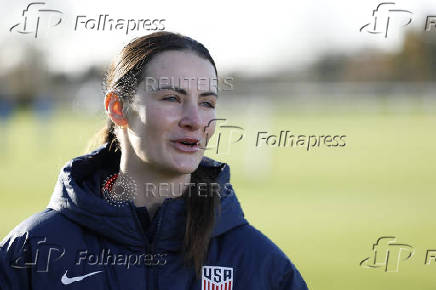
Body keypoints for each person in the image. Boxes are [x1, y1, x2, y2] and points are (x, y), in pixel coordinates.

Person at [0, 31, 308, 290]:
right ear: (117, 107)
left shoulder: (260, 265)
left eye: (207, 103)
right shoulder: (31, 252)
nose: (195, 119)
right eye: (172, 98)